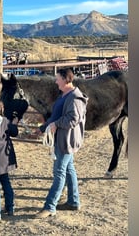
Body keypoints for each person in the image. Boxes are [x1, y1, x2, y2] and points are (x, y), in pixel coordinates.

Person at [35, 68, 88, 219]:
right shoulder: (64, 95)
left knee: (59, 173)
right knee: (69, 169)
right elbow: (56, 116)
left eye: (58, 78)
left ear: (65, 79)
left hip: (66, 140)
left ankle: (50, 207)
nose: (56, 81)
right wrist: (43, 128)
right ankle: (73, 201)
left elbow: (73, 119)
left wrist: (55, 125)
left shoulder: (74, 98)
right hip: (62, 138)